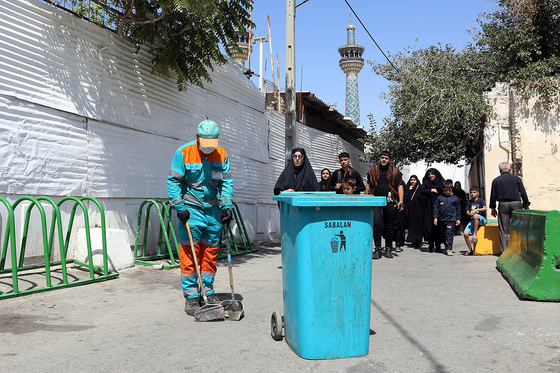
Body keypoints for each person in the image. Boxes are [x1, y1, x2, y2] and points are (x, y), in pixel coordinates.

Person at [167, 120, 234, 316]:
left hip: (213, 211)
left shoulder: (221, 154)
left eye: (211, 144)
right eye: (204, 143)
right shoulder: (183, 153)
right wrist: (179, 206)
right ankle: (191, 296)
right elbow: (173, 181)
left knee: (210, 253)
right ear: (197, 138)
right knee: (190, 254)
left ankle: (208, 291)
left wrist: (227, 205)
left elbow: (226, 182)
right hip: (191, 210)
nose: (207, 148)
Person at [365, 151, 404, 259]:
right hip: (375, 201)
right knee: (376, 224)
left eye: (386, 158)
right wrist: (366, 198)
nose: (384, 160)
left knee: (389, 226)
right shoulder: (373, 171)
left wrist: (400, 201)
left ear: (389, 160)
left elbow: (400, 186)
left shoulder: (396, 172)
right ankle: (377, 249)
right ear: (379, 158)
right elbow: (368, 185)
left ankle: (388, 249)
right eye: (382, 157)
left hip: (390, 201)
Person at [489, 162, 531, 253]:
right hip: (516, 204)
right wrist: (526, 204)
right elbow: (523, 192)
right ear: (510, 169)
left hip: (503, 205)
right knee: (518, 228)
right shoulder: (516, 179)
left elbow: (493, 195)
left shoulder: (496, 180)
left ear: (500, 170)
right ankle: (519, 250)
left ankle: (504, 252)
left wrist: (493, 208)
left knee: (504, 230)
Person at [418, 168, 445, 252]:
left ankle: (438, 246)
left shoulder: (440, 182)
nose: (430, 176)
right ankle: (430, 245)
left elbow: (443, 190)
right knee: (429, 226)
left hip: (439, 208)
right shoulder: (426, 183)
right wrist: (431, 190)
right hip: (428, 207)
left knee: (438, 226)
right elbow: (422, 190)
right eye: (429, 174)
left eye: (432, 174)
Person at [433, 180, 461, 256]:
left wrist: (458, 219)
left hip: (451, 220)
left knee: (449, 234)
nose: (447, 192)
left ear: (452, 189)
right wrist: (435, 217)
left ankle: (449, 248)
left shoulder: (455, 198)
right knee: (443, 235)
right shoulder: (439, 198)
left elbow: (458, 209)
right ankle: (445, 246)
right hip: (441, 220)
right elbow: (436, 208)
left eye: (449, 190)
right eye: (446, 190)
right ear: (443, 189)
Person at [462, 186, 487, 256]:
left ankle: (474, 235)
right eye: (471, 192)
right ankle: (470, 249)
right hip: (473, 220)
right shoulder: (469, 202)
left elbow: (485, 209)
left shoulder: (481, 201)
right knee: (465, 233)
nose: (472, 194)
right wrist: (470, 213)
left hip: (481, 219)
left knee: (476, 216)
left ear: (478, 193)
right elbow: (467, 212)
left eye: (474, 192)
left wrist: (477, 210)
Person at [404, 175, 423, 249]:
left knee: (418, 225)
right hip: (411, 210)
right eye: (411, 180)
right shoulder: (407, 188)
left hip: (418, 210)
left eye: (414, 180)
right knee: (411, 225)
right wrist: (409, 190)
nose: (412, 181)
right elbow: (405, 198)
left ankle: (418, 241)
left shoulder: (420, 188)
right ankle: (413, 241)